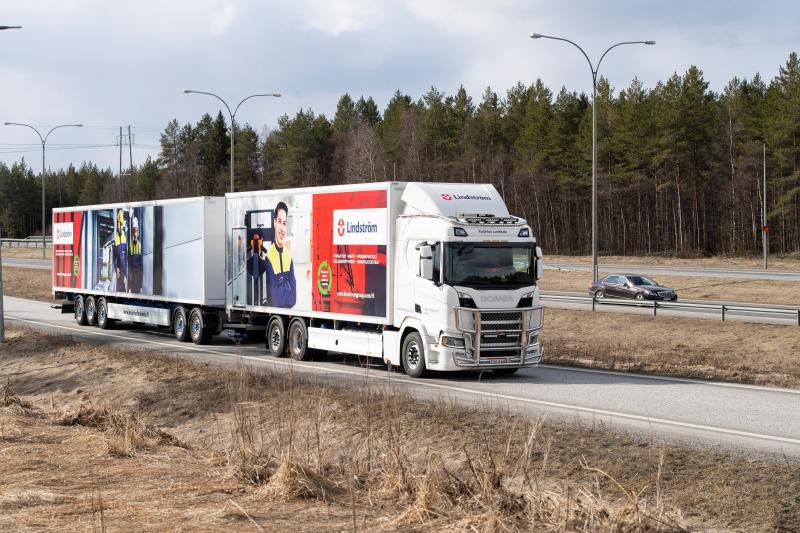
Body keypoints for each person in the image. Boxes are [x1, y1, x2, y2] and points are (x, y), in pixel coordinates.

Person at [263, 201, 296, 308]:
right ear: (274, 223)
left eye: (284, 223)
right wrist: (287, 286)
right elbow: (275, 299)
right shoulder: (269, 257)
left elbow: (293, 299)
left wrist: (282, 286)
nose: (282, 228)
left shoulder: (288, 256)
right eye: (279, 221)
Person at [113, 209, 128, 292]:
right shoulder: (118, 237)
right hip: (121, 265)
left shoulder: (122, 236)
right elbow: (116, 255)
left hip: (122, 264)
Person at [129, 215, 143, 293]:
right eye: (134, 231)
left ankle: (137, 289)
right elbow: (131, 255)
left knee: (137, 279)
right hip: (134, 264)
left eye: (137, 231)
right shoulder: (133, 243)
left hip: (138, 264)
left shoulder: (139, 243)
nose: (136, 233)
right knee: (134, 279)